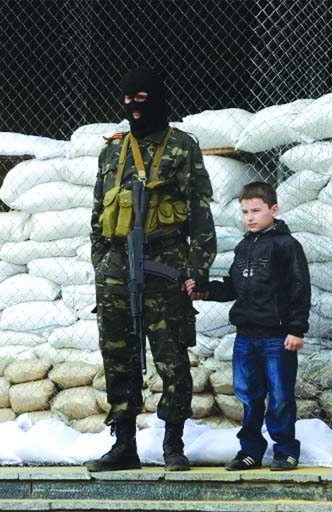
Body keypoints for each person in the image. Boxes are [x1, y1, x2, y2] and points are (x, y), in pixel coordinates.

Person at [85, 67, 217, 472]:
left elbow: (200, 215)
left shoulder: (181, 148)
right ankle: (123, 443)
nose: (131, 107)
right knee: (118, 356)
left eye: (140, 99)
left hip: (165, 264)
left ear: (157, 99)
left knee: (171, 356)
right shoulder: (112, 150)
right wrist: (102, 264)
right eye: (126, 99)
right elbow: (97, 215)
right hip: (117, 266)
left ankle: (173, 443)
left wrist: (198, 270)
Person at [186, 181, 310, 471]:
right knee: (248, 397)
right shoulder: (243, 247)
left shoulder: (287, 246)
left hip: (277, 338)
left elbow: (299, 288)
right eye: (245, 212)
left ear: (274, 209)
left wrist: (296, 330)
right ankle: (250, 452)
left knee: (280, 397)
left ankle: (285, 452)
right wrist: (204, 290)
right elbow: (232, 287)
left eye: (256, 210)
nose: (250, 217)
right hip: (245, 338)